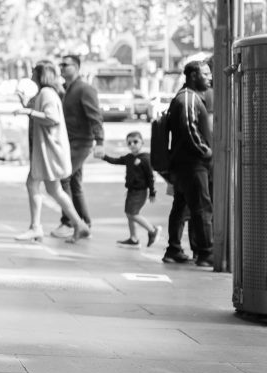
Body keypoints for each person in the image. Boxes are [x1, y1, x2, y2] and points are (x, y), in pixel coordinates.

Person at [13, 60, 90, 243]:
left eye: (33, 73)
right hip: (48, 150)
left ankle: (36, 227)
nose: (31, 76)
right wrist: (27, 106)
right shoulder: (46, 93)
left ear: (40, 75)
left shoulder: (47, 93)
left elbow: (51, 118)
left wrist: (27, 112)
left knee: (34, 184)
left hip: (49, 151)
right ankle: (79, 224)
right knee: (54, 190)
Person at [165, 60, 214, 267]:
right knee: (201, 207)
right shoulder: (187, 99)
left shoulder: (189, 98)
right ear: (193, 75)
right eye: (205, 73)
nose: (209, 77)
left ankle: (174, 249)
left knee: (182, 206)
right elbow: (189, 129)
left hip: (186, 163)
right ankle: (205, 252)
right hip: (192, 164)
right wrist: (206, 151)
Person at [51, 55, 105, 240]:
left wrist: (100, 142)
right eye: (61, 65)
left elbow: (95, 116)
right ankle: (84, 222)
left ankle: (70, 222)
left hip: (80, 143)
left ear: (76, 67)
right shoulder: (67, 89)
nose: (62, 68)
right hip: (70, 142)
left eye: (66, 65)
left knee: (63, 178)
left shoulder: (84, 89)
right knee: (74, 183)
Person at [102, 131, 160, 247]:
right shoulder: (129, 158)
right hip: (131, 191)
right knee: (130, 214)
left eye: (135, 142)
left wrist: (152, 192)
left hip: (140, 192)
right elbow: (116, 161)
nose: (132, 144)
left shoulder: (145, 158)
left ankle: (152, 230)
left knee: (132, 214)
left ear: (142, 142)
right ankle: (133, 239)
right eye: (129, 143)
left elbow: (150, 177)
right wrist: (103, 156)